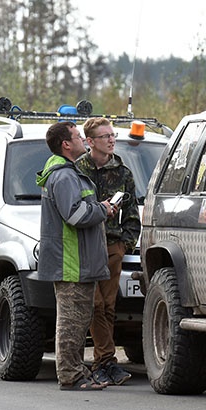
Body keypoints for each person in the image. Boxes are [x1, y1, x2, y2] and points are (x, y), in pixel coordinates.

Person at [36, 121, 115, 391]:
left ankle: (77, 372)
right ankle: (71, 376)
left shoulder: (67, 173)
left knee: (78, 321)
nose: (83, 140)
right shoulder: (64, 177)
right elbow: (75, 215)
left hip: (77, 262)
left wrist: (99, 208)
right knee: (71, 323)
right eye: (78, 136)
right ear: (66, 144)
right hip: (72, 263)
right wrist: (103, 209)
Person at [75, 117, 139, 386]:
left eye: (113, 135)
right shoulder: (77, 170)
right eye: (105, 136)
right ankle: (106, 361)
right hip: (85, 245)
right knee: (95, 305)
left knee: (108, 307)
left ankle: (103, 363)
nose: (111, 140)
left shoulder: (122, 172)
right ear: (90, 141)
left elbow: (132, 214)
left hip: (112, 245)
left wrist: (125, 244)